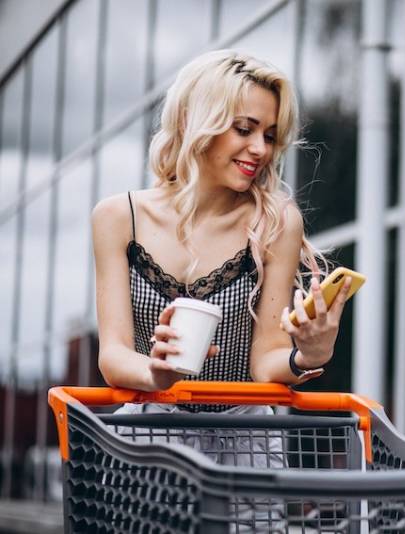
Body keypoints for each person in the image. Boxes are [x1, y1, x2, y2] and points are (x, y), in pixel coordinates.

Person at [91, 49, 351, 419]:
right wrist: (156, 373)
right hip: (146, 439)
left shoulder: (276, 222)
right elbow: (113, 355)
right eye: (244, 129)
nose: (260, 149)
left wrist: (309, 354)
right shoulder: (118, 218)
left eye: (271, 135)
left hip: (243, 441)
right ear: (190, 120)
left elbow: (265, 364)